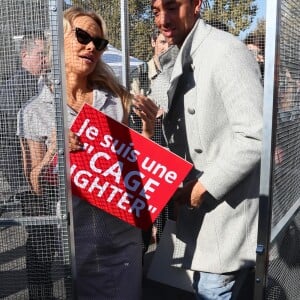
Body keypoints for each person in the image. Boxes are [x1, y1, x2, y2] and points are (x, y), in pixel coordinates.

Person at [17, 6, 158, 300]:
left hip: (123, 237)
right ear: (60, 40)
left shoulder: (116, 100)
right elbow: (36, 184)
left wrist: (148, 130)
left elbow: (133, 165)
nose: (92, 46)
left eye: (100, 42)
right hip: (77, 243)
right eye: (82, 36)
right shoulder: (33, 113)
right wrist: (55, 151)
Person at [150, 1, 263, 299]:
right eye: (156, 10)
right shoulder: (179, 55)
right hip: (196, 217)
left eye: (172, 7)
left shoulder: (226, 51)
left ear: (197, 4)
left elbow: (254, 136)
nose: (163, 18)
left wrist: (200, 189)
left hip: (222, 220)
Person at [0, 31, 51, 299]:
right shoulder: (17, 88)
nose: (46, 60)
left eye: (47, 54)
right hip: (28, 177)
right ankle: (40, 295)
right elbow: (11, 142)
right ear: (24, 56)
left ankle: (42, 292)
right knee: (42, 237)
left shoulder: (39, 83)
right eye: (41, 54)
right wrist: (23, 181)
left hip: (40, 173)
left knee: (47, 237)